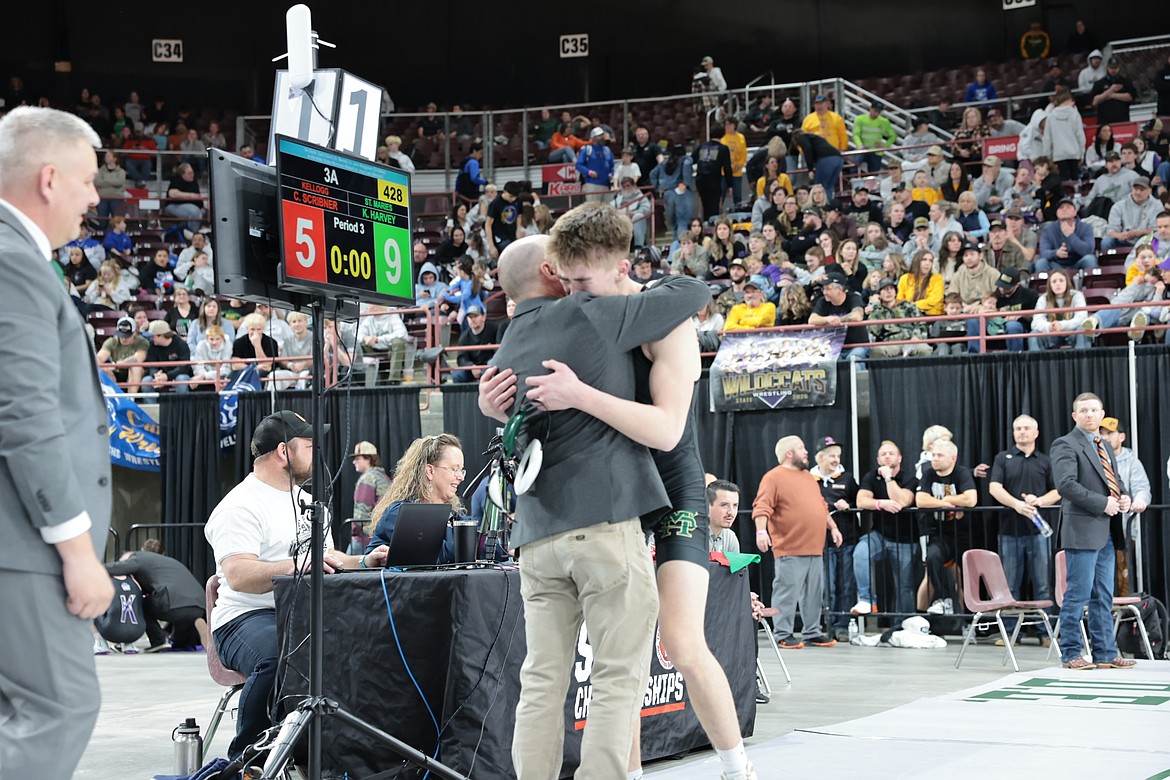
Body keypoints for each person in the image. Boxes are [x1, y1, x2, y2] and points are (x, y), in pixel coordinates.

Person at [477, 230, 721, 779]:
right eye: (564, 264)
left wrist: (494, 414)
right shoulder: (591, 312)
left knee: (541, 680)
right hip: (603, 524)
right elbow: (692, 292)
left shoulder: (506, 347)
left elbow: (517, 430)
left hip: (535, 537)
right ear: (550, 270)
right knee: (616, 676)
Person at [0, 105, 114, 780]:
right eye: (88, 180)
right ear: (49, 179)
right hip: (21, 545)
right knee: (60, 708)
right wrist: (78, 552)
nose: (94, 197)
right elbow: (25, 417)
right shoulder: (14, 263)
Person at [206, 411, 390, 756]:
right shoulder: (239, 506)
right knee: (280, 655)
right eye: (309, 445)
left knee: (366, 646)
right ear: (283, 451)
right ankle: (249, 759)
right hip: (245, 618)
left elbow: (329, 558)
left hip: (301, 613)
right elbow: (238, 575)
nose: (317, 452)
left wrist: (366, 561)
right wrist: (298, 565)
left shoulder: (308, 503)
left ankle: (335, 755)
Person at [1049, 393, 1136, 670]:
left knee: (1103, 595)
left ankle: (1105, 652)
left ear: (1102, 414)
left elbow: (1115, 481)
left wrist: (1123, 496)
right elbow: (1066, 485)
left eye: (1093, 410)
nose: (1089, 414)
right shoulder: (1065, 444)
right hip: (1082, 529)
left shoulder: (1105, 445)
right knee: (1078, 594)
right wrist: (1103, 503)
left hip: (1107, 530)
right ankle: (1070, 652)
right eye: (1083, 410)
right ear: (1074, 416)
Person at [753, 435, 843, 649]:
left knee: (814, 594)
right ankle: (782, 633)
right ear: (789, 453)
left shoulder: (807, 477)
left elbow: (821, 506)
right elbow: (762, 506)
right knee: (786, 592)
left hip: (815, 547)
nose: (806, 452)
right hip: (790, 547)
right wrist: (761, 531)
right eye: (801, 448)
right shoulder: (773, 477)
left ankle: (812, 631)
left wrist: (833, 527)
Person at [987, 415, 1060, 644]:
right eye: (1017, 428)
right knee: (1010, 584)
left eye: (1026, 428)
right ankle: (1010, 633)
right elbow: (994, 487)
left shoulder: (1045, 461)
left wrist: (1040, 501)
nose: (1021, 432)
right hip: (1009, 531)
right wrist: (1016, 505)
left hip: (1039, 532)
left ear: (1036, 433)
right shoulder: (1003, 458)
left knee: (1043, 584)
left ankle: (1045, 633)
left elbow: (1058, 490)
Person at [364, 434, 462, 562]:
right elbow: (437, 555)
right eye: (454, 469)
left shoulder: (454, 515)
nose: (461, 477)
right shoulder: (401, 512)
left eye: (462, 470)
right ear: (430, 471)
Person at [852, 441, 919, 616]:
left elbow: (903, 501)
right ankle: (867, 600)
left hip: (906, 539)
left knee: (904, 586)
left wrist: (889, 478)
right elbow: (861, 501)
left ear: (900, 458)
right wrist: (881, 503)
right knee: (861, 552)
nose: (887, 456)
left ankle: (903, 622)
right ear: (878, 459)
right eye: (883, 454)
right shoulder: (871, 477)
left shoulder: (910, 479)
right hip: (880, 535)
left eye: (891, 453)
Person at [104, 545, 208, 651]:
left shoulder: (137, 558)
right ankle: (182, 640)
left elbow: (117, 568)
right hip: (199, 606)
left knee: (139, 605)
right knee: (179, 634)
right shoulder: (165, 561)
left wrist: (96, 568)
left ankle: (159, 639)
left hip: (172, 603)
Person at [916, 439, 978, 616]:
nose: (935, 459)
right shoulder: (928, 473)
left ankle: (970, 620)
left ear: (953, 458)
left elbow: (971, 499)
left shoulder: (962, 473)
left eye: (940, 455)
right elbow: (920, 500)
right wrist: (946, 503)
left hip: (964, 534)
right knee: (933, 557)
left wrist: (946, 499)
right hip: (939, 533)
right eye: (933, 455)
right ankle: (943, 598)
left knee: (966, 577)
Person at [811, 437, 859, 640]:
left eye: (838, 456)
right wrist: (832, 506)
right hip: (822, 542)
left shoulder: (847, 478)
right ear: (820, 457)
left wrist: (848, 505)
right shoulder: (809, 480)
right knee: (827, 585)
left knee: (847, 584)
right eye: (831, 455)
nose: (835, 459)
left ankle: (843, 625)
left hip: (848, 539)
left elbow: (859, 500)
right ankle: (828, 624)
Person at [1098, 417, 1151, 587]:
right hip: (1098, 528)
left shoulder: (1132, 462)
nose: (1105, 437)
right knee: (1100, 577)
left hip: (1123, 530)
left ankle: (1123, 605)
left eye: (1110, 433)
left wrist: (1140, 501)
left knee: (1123, 576)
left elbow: (1142, 488)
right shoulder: (1094, 459)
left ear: (1122, 437)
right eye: (1102, 433)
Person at [967, 267, 1039, 353]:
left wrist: (1021, 315)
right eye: (1000, 285)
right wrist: (980, 310)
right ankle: (974, 356)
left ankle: (1015, 357)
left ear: (1017, 285)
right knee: (973, 321)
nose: (1001, 289)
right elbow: (980, 305)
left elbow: (1038, 316)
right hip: (994, 325)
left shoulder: (1030, 295)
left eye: (1006, 287)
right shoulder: (996, 294)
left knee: (1013, 326)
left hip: (1018, 327)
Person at [809, 272, 869, 362]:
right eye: (823, 289)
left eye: (828, 289)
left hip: (857, 345)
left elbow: (857, 316)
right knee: (829, 362)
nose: (824, 292)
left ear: (839, 289)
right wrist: (828, 319)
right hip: (834, 346)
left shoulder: (854, 297)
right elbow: (812, 320)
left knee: (853, 360)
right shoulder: (823, 301)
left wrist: (838, 320)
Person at [868, 277, 932, 357]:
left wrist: (916, 336)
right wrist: (876, 307)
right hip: (890, 343)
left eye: (891, 288)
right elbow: (873, 330)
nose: (889, 291)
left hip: (912, 340)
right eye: (885, 289)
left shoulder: (908, 306)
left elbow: (921, 323)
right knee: (877, 350)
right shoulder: (877, 311)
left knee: (925, 350)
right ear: (879, 294)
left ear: (895, 292)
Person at [1030, 269, 1091, 350]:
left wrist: (1061, 325)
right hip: (1051, 335)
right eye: (1054, 282)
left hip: (1071, 333)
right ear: (1050, 285)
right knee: (1034, 334)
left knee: (1082, 330)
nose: (1058, 284)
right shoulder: (1043, 298)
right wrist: (1050, 327)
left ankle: (1082, 358)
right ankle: (1036, 358)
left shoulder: (1077, 295)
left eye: (1061, 280)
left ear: (1067, 282)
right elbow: (1035, 322)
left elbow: (1082, 318)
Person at [1036, 198, 1098, 273]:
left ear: (1075, 212)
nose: (1064, 210)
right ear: (1057, 213)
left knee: (1090, 259)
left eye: (1068, 207)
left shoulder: (1086, 227)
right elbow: (1043, 253)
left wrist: (1071, 236)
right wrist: (1056, 253)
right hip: (1056, 265)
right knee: (1041, 263)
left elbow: (1088, 250)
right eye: (1061, 208)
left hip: (1078, 262)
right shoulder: (1048, 229)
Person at [1042, 86, 1086, 182]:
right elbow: (1080, 136)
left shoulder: (1051, 116)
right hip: (1074, 153)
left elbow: (1047, 139)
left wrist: (1048, 156)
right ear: (1069, 99)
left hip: (1058, 155)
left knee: (1063, 183)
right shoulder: (1075, 114)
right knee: (1075, 182)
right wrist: (1082, 153)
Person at [1104, 177, 1161, 251]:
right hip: (1124, 241)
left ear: (1149, 191)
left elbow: (1157, 230)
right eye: (1135, 189)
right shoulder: (1118, 206)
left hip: (1147, 240)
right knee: (1106, 242)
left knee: (1158, 240)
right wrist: (1120, 235)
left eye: (1142, 190)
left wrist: (1139, 232)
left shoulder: (1157, 205)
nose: (1138, 192)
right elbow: (1111, 230)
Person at [97, 316, 149, 393]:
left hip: (135, 373)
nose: (124, 339)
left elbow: (138, 358)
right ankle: (115, 396)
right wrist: (105, 368)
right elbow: (99, 357)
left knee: (136, 367)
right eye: (121, 335)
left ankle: (131, 397)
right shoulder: (112, 341)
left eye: (127, 336)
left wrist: (116, 365)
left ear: (134, 333)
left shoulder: (142, 342)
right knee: (104, 370)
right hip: (116, 373)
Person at [790, 129, 845, 200]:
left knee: (819, 187)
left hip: (826, 159)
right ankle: (829, 203)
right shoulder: (815, 138)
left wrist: (810, 169)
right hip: (838, 158)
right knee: (829, 186)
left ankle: (822, 204)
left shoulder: (801, 137)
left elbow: (807, 148)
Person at [451, 304, 497, 383]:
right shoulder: (464, 336)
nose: (472, 319)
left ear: (483, 317)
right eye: (470, 317)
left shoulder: (494, 330)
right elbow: (461, 358)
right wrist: (471, 366)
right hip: (471, 369)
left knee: (491, 368)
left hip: (489, 366)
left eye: (475, 316)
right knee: (457, 375)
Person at [143, 320, 192, 393]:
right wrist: (156, 375)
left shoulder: (181, 344)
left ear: (161, 335)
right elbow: (151, 365)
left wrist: (167, 376)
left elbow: (184, 367)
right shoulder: (152, 347)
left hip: (177, 375)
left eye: (153, 336)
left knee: (181, 379)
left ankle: (182, 401)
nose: (151, 338)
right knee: (146, 381)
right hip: (160, 376)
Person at [1091, 57, 1138, 126]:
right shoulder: (1099, 83)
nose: (1113, 70)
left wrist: (1112, 95)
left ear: (1119, 67)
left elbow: (1131, 97)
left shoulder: (1126, 81)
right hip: (1104, 122)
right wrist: (1110, 91)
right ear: (1107, 67)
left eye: (1115, 68)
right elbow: (1094, 102)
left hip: (1122, 120)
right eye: (1111, 68)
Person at [165, 162, 205, 236]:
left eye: (192, 173)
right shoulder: (177, 180)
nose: (192, 175)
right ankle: (193, 235)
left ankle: (201, 233)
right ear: (182, 174)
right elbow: (172, 194)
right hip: (174, 205)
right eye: (189, 173)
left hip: (194, 205)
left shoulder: (193, 181)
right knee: (194, 212)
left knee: (204, 212)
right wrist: (191, 195)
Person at [577, 126, 615, 202]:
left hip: (607, 185)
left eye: (602, 135)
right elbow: (579, 165)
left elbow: (612, 165)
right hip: (593, 184)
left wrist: (611, 174)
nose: (602, 137)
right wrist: (589, 172)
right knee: (593, 207)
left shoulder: (607, 150)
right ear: (593, 138)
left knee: (608, 207)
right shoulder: (587, 149)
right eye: (599, 136)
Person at [485, 181, 520, 258]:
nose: (513, 199)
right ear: (504, 192)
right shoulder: (495, 204)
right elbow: (488, 224)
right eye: (511, 196)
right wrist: (491, 246)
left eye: (515, 197)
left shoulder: (517, 201)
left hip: (512, 235)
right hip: (500, 237)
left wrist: (518, 231)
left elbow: (519, 216)